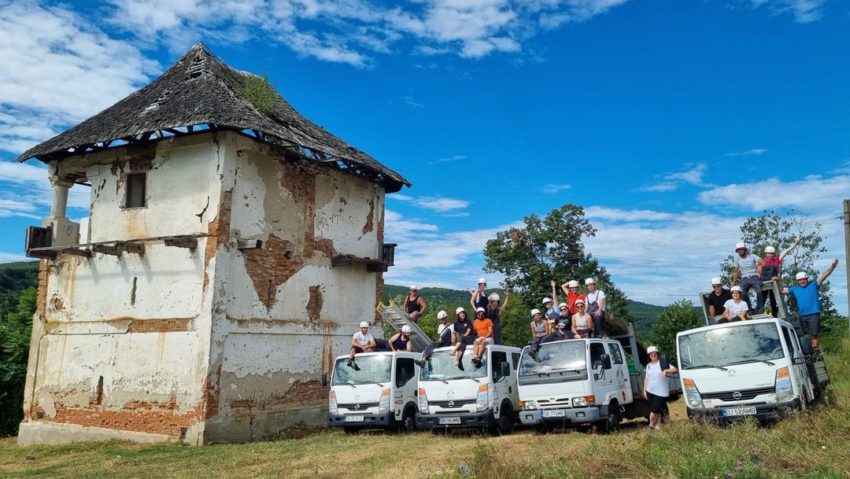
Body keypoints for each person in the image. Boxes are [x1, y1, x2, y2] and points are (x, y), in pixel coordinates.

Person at [781, 259, 839, 350]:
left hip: (813, 314)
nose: (802, 281)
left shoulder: (813, 285)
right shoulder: (794, 289)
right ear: (797, 281)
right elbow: (782, 291)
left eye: (803, 279)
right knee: (801, 334)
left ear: (807, 279)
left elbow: (824, 276)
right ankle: (806, 350)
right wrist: (775, 279)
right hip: (802, 315)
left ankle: (815, 351)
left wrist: (832, 267)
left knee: (814, 334)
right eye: (800, 280)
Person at [757, 239, 801, 316]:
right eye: (768, 253)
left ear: (774, 254)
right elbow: (758, 273)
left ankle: (775, 315)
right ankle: (758, 314)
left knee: (773, 301)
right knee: (761, 301)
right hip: (764, 283)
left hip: (773, 283)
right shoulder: (761, 262)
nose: (770, 255)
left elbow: (786, 252)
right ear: (766, 254)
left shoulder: (776, 261)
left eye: (772, 253)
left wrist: (795, 244)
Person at [643, 346, 677, 430]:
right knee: (657, 411)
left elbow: (675, 369)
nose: (653, 355)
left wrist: (666, 370)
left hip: (661, 392)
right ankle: (658, 426)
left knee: (653, 411)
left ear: (657, 354)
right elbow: (646, 379)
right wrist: (644, 390)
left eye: (654, 354)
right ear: (649, 356)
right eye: (651, 354)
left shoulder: (663, 362)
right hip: (650, 391)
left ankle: (650, 426)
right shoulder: (648, 366)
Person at [731, 242, 761, 311]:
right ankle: (749, 309)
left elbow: (761, 261)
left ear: (745, 250)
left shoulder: (752, 256)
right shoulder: (737, 259)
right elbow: (735, 272)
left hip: (754, 276)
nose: (740, 251)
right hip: (744, 278)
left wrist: (760, 267)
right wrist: (733, 283)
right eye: (738, 250)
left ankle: (760, 308)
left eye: (741, 249)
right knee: (742, 292)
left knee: (759, 289)